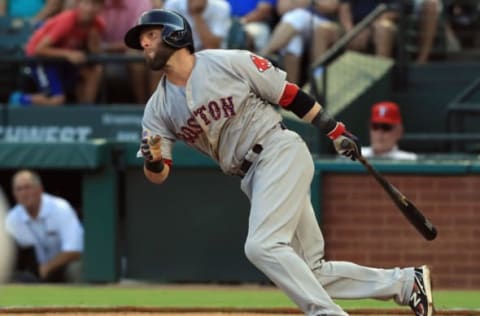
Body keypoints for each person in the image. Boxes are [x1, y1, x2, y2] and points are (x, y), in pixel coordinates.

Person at [124, 9, 433, 316]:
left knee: (261, 246)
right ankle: (406, 283)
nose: (145, 45)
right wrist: (152, 162)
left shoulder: (227, 62)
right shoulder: (157, 108)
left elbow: (288, 95)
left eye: (151, 35)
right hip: (251, 176)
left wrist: (334, 130)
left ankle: (327, 314)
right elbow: (159, 173)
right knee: (311, 271)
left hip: (277, 150)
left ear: (175, 35)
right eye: (142, 41)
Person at [8, 0, 105, 106]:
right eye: (86, 3)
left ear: (101, 8)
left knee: (93, 71)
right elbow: (39, 49)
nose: (90, 9)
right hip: (41, 59)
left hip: (62, 61)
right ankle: (19, 99)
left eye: (95, 4)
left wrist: (93, 44)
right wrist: (68, 54)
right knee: (57, 100)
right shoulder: (67, 20)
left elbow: (95, 53)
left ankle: (87, 113)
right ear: (78, 5)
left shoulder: (98, 25)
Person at [5, 170, 83, 283]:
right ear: (14, 194)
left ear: (40, 189)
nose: (24, 193)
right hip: (34, 272)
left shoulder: (61, 208)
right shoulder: (12, 219)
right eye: (19, 189)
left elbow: (74, 251)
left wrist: (47, 267)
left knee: (75, 269)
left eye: (27, 187)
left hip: (63, 266)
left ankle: (81, 300)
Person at [260, 0, 340, 84]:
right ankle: (294, 88)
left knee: (296, 16)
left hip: (324, 22)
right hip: (296, 26)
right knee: (292, 41)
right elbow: (282, 9)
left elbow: (332, 6)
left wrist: (303, 2)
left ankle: (264, 53)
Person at [100, 0, 163, 103]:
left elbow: (137, 40)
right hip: (101, 57)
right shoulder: (96, 3)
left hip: (136, 52)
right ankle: (141, 105)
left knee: (145, 58)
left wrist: (105, 47)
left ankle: (153, 109)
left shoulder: (141, 3)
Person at [163, 0, 231, 50]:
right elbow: (170, 42)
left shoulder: (221, 7)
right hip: (182, 56)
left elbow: (212, 46)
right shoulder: (172, 4)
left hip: (211, 57)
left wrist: (197, 14)